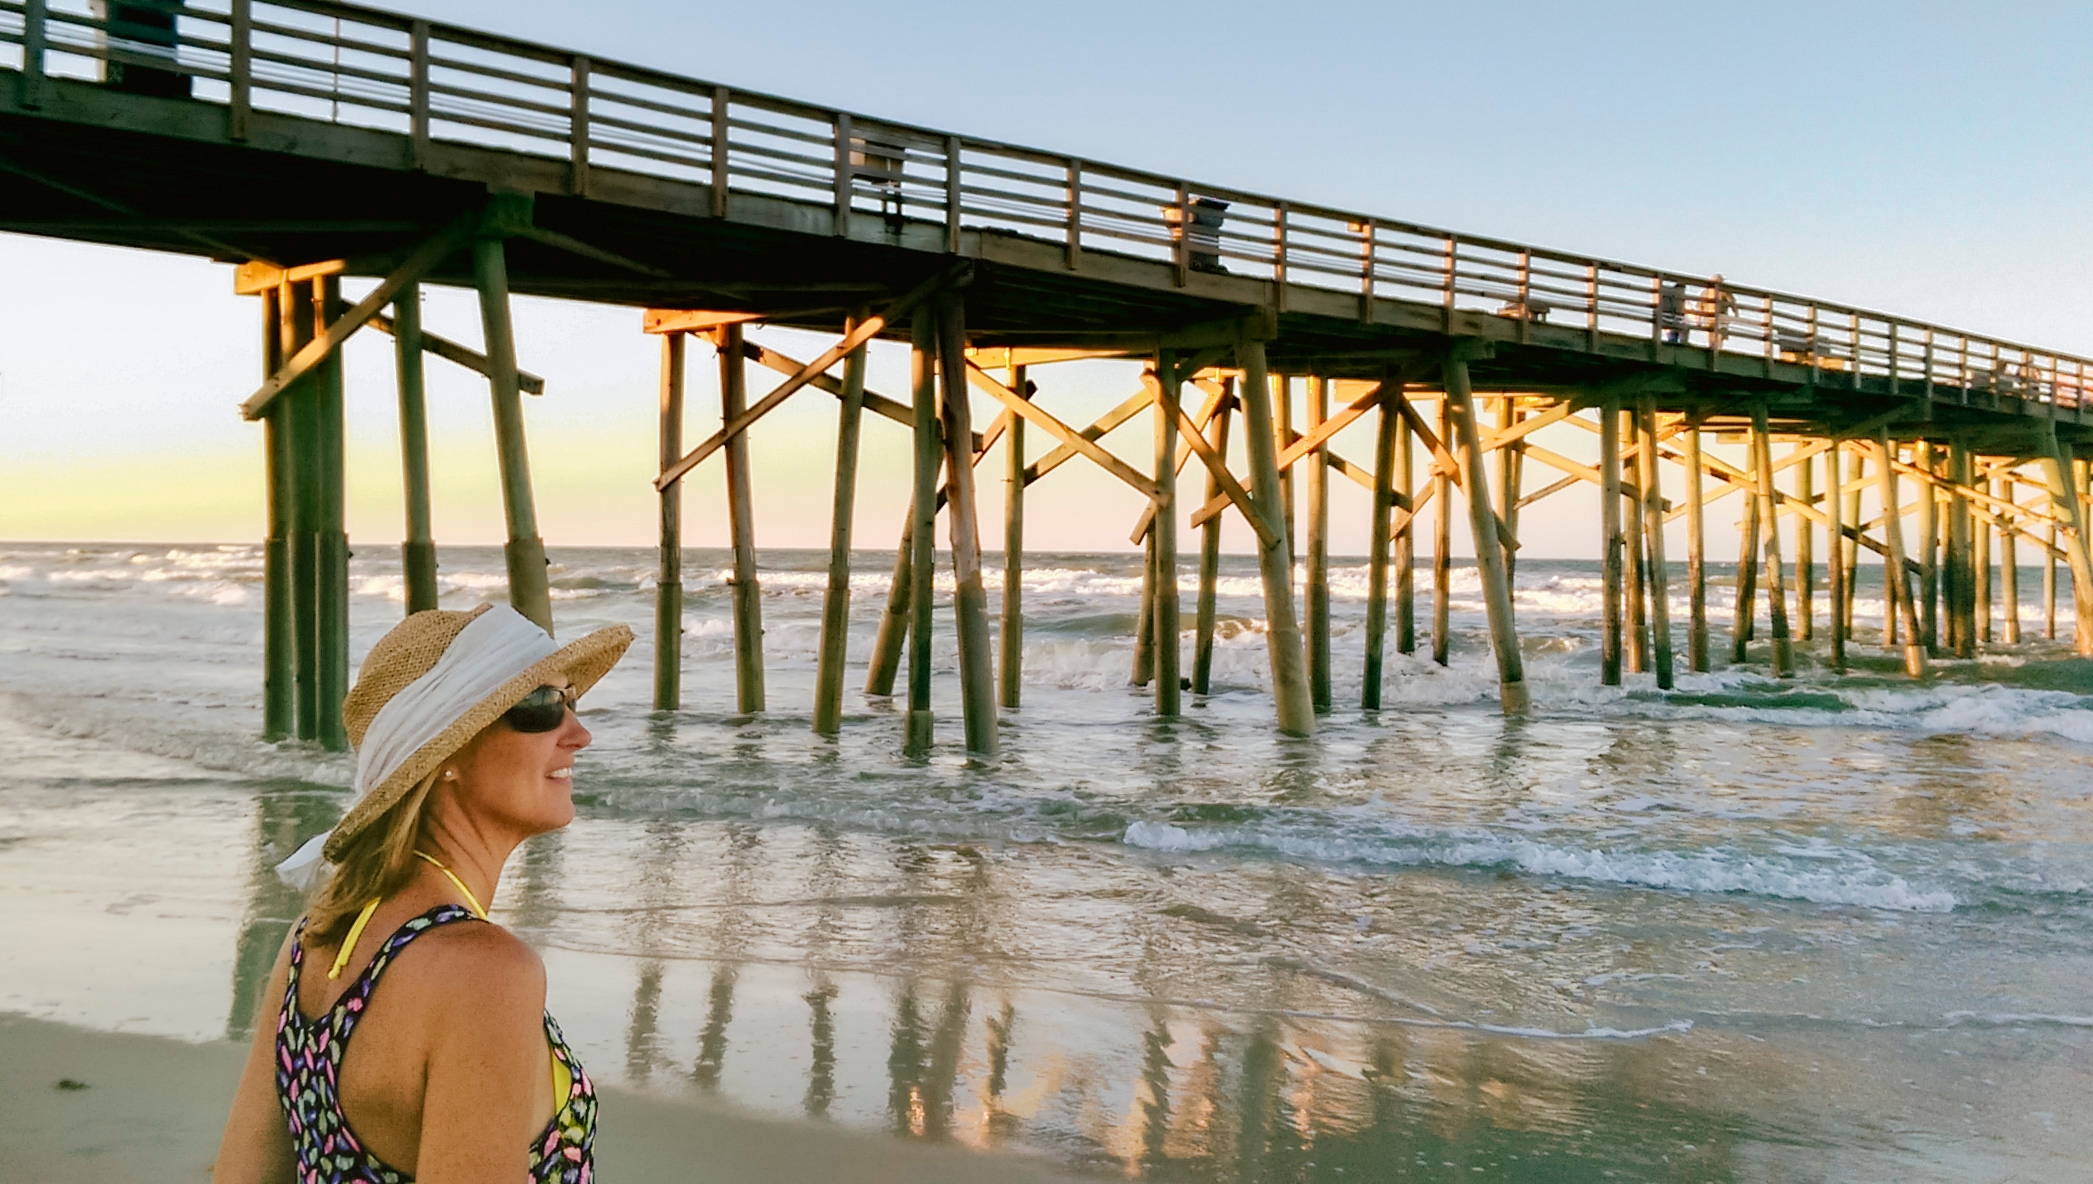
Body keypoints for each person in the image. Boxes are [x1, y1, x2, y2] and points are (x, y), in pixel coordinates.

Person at [213, 603, 632, 1184]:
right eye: (541, 706)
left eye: (572, 701)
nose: (579, 734)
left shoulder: (317, 933)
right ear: (447, 752)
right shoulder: (486, 974)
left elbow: (242, 1174)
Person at [1698, 273, 1737, 351]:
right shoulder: (1725, 291)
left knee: (1711, 335)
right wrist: (1736, 313)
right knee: (1720, 334)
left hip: (1708, 317)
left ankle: (1712, 348)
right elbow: (1732, 302)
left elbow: (1700, 306)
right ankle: (1718, 349)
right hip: (1721, 316)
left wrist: (1698, 319)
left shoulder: (1705, 292)